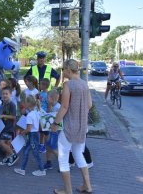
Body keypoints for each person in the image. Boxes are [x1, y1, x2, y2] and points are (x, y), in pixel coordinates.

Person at [51, 59, 93, 194]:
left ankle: (68, 191)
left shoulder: (68, 85)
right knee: (78, 154)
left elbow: (64, 107)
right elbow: (90, 105)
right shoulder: (84, 84)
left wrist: (55, 123)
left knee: (63, 159)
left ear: (69, 70)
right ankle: (88, 186)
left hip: (69, 127)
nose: (63, 72)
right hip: (82, 127)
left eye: (63, 69)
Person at [14, 95, 46, 177]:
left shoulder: (30, 115)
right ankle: (22, 169)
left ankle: (42, 170)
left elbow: (28, 128)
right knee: (26, 151)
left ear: (27, 103)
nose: (23, 103)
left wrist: (22, 132)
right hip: (35, 135)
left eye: (25, 102)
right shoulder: (36, 112)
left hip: (33, 135)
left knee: (35, 153)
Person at [0, 87, 18, 167]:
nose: (5, 95)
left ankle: (13, 155)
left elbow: (14, 117)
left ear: (10, 94)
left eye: (6, 94)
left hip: (9, 128)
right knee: (7, 143)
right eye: (3, 94)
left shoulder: (12, 104)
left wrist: (3, 116)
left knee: (2, 143)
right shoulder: (2, 103)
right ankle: (8, 158)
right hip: (2, 127)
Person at [43, 89, 61, 170]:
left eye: (48, 98)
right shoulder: (53, 106)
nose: (46, 99)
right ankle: (48, 162)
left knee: (52, 147)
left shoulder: (57, 107)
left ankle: (63, 164)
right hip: (51, 130)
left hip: (55, 131)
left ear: (52, 98)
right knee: (48, 146)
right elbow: (48, 114)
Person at [38, 78, 50, 153]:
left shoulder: (48, 95)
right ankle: (41, 145)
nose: (39, 85)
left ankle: (46, 146)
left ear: (45, 85)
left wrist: (47, 114)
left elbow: (49, 105)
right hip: (40, 114)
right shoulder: (41, 93)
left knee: (46, 133)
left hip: (45, 115)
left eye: (41, 84)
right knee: (41, 132)